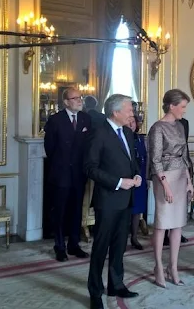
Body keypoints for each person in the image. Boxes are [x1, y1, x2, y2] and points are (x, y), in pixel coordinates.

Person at [85, 94, 142, 309]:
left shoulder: (127, 132)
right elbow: (90, 168)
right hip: (108, 200)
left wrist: (136, 175)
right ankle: (95, 292)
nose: (132, 113)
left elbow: (131, 161)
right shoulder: (98, 133)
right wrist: (118, 182)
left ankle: (116, 284)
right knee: (101, 248)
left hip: (126, 200)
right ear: (115, 112)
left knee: (119, 246)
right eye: (129, 109)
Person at [147, 89, 194, 287]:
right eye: (182, 107)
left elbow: (184, 156)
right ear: (172, 106)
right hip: (164, 178)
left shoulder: (181, 126)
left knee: (177, 224)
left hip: (181, 176)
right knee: (162, 223)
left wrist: (189, 180)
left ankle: (172, 267)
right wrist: (165, 185)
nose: (184, 110)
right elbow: (155, 160)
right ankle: (158, 266)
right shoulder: (157, 128)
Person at [43, 87, 91, 262]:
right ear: (66, 102)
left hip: (79, 175)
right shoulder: (55, 120)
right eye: (75, 98)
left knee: (76, 211)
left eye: (80, 97)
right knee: (60, 212)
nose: (79, 100)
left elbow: (88, 147)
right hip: (61, 174)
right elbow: (49, 149)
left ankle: (74, 244)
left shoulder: (86, 119)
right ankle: (60, 246)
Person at [163, 117, 192, 246]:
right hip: (168, 169)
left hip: (183, 165)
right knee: (167, 205)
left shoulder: (185, 122)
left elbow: (185, 150)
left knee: (180, 205)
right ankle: (164, 234)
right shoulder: (162, 125)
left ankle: (177, 232)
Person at [127, 114, 148, 250]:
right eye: (128, 121)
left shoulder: (140, 139)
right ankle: (122, 240)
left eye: (133, 121)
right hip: (127, 179)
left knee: (137, 210)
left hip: (140, 179)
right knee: (126, 211)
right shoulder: (121, 138)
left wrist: (145, 178)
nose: (131, 124)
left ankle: (134, 238)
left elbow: (145, 159)